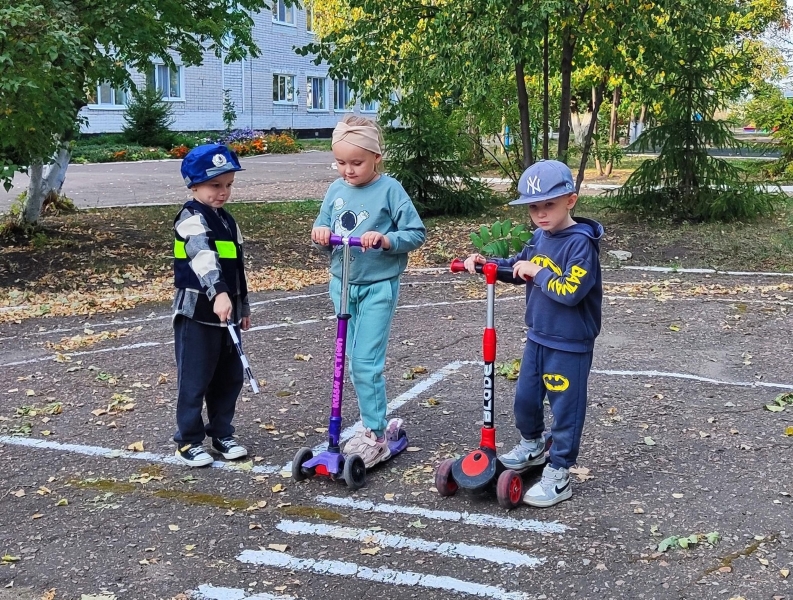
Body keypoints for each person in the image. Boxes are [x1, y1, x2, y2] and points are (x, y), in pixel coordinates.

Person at [464, 160, 603, 507]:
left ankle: (559, 472)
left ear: (570, 200)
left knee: (565, 408)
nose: (541, 214)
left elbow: (570, 290)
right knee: (525, 400)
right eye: (534, 207)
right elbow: (517, 268)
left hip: (569, 343)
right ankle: (532, 444)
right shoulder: (540, 237)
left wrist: (537, 271)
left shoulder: (580, 244)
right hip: (539, 336)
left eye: (549, 205)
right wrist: (488, 266)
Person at [311, 114, 426, 469]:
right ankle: (368, 424)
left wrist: (388, 240)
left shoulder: (390, 190)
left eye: (356, 162)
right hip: (342, 284)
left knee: (364, 362)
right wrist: (320, 232)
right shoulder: (336, 190)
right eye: (341, 162)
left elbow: (415, 233)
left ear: (377, 157)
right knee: (348, 359)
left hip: (377, 287)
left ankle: (374, 432)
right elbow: (324, 225)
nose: (347, 170)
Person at [172, 143, 252, 467]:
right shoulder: (190, 218)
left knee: (228, 377)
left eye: (228, 185)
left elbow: (238, 268)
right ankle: (188, 441)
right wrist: (217, 292)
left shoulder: (229, 222)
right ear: (194, 186)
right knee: (194, 379)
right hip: (197, 315)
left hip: (227, 315)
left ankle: (221, 433)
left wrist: (242, 306)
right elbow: (202, 256)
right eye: (215, 185)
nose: (223, 192)